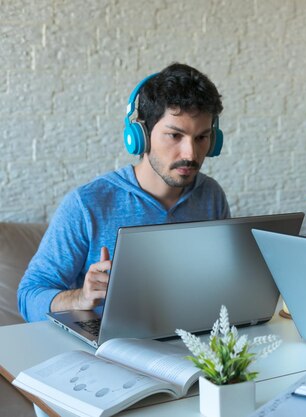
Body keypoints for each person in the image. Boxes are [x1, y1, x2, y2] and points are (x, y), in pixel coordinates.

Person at [18, 63, 230, 322]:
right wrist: (81, 298)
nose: (191, 154)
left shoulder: (211, 196)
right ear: (141, 136)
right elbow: (28, 296)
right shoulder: (87, 204)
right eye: (175, 135)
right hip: (106, 351)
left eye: (201, 138)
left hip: (188, 339)